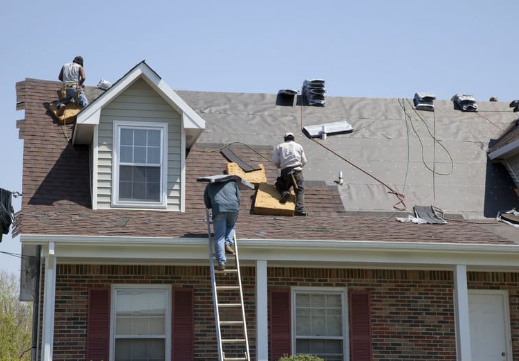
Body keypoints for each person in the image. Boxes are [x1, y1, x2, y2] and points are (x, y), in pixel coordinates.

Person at [204, 180, 240, 271]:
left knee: (220, 237)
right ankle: (228, 243)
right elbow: (238, 199)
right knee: (231, 226)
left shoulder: (210, 184)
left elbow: (208, 204)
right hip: (233, 208)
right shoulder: (232, 183)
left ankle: (221, 262)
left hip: (219, 209)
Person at [272, 132, 307, 216]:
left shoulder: (280, 146)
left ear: (285, 139)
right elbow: (304, 161)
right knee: (299, 190)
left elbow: (275, 161)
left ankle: (284, 193)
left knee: (279, 184)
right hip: (297, 171)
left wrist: (279, 166)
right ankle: (299, 209)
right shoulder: (299, 146)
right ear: (293, 139)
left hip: (286, 172)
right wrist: (299, 167)